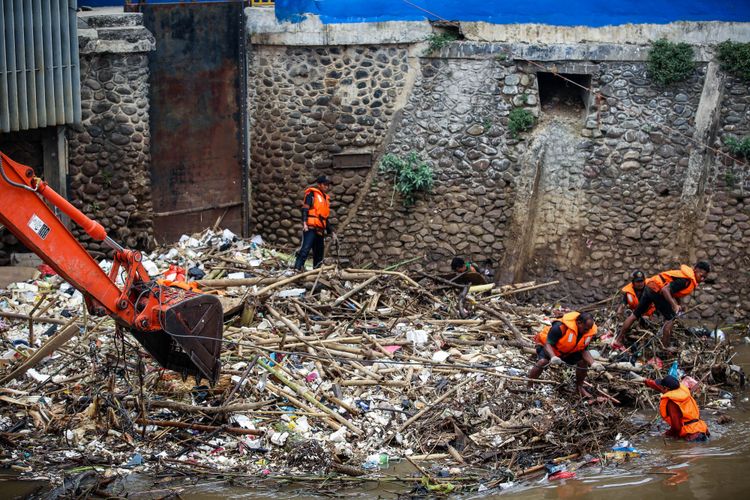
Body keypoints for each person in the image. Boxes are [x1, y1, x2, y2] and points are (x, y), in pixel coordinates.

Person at [614, 261, 710, 349]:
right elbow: (665, 290)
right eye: (701, 275)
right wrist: (674, 305)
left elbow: (674, 292)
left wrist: (678, 304)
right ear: (696, 270)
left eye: (704, 278)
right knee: (671, 319)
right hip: (656, 290)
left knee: (635, 314)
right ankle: (665, 347)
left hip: (649, 287)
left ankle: (618, 341)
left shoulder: (686, 279)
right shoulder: (685, 280)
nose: (702, 279)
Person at [528, 311, 604, 398]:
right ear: (579, 323)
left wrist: (593, 363)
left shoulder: (588, 331)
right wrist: (553, 357)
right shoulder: (560, 327)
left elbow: (584, 350)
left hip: (568, 352)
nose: (587, 331)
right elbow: (547, 344)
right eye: (586, 329)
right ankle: (530, 385)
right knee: (543, 361)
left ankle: (579, 388)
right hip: (550, 348)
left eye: (589, 329)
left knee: (583, 362)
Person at [643, 375, 709, 441]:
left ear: (666, 388)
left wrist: (666, 435)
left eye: (662, 387)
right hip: (702, 429)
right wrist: (645, 381)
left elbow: (677, 427)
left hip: (692, 436)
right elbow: (659, 387)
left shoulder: (671, 402)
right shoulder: (681, 390)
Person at [293, 176, 334, 271]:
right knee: (305, 250)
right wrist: (304, 223)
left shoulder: (325, 199)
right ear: (319, 185)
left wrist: (331, 232)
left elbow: (325, 218)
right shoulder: (311, 195)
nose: (326, 187)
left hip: (320, 230)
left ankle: (316, 272)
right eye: (325, 184)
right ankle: (297, 270)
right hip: (310, 228)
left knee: (319, 253)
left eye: (328, 185)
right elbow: (305, 209)